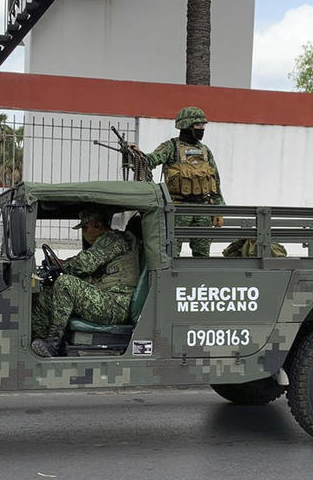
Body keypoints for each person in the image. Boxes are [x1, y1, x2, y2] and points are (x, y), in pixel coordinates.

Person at [31, 207, 140, 358]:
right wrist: (62, 264)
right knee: (46, 294)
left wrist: (62, 266)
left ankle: (53, 344)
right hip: (104, 299)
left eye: (84, 227)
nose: (83, 232)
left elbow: (85, 264)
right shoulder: (103, 243)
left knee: (65, 284)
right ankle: (37, 340)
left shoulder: (113, 240)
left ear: (97, 225)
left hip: (116, 304)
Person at [137, 106, 224, 257]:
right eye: (198, 125)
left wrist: (219, 210)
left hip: (203, 209)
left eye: (203, 125)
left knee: (202, 256)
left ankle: (200, 281)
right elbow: (150, 160)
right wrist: (137, 155)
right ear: (186, 125)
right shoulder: (171, 147)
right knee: (171, 254)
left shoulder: (205, 151)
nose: (202, 129)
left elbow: (215, 182)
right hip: (177, 210)